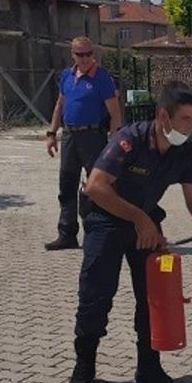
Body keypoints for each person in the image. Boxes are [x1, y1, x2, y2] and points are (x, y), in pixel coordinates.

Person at [70, 80, 192, 383]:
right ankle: (85, 365)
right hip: (105, 217)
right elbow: (96, 187)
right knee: (96, 294)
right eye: (185, 118)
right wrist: (140, 219)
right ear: (163, 116)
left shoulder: (185, 151)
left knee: (153, 297)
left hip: (144, 222)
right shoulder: (129, 140)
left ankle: (149, 366)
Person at [44, 36, 123, 251]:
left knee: (97, 186)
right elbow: (60, 105)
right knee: (67, 185)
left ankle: (99, 231)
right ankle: (67, 233)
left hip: (93, 136)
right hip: (70, 135)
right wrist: (52, 133)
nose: (86, 58)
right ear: (73, 55)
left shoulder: (102, 78)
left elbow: (115, 113)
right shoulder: (67, 76)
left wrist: (114, 141)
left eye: (89, 54)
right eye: (81, 54)